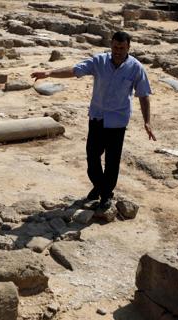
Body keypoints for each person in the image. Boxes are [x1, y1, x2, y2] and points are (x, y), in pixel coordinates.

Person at [31, 31, 156, 209]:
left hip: (118, 121)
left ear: (128, 47)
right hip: (97, 117)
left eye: (121, 48)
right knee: (92, 158)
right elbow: (75, 70)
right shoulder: (99, 61)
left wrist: (147, 121)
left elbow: (143, 95)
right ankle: (99, 186)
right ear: (111, 45)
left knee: (112, 161)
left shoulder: (136, 67)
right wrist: (49, 72)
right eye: (114, 47)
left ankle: (106, 194)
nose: (117, 51)